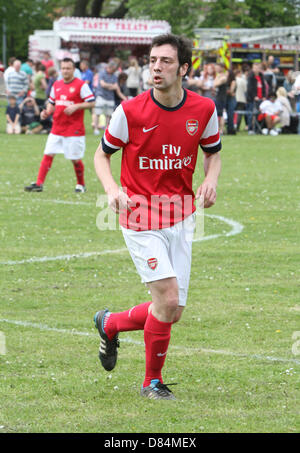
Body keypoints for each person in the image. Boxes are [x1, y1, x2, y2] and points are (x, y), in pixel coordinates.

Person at [93, 33, 222, 400]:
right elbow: (102, 155)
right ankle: (152, 381)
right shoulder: (130, 111)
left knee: (173, 310)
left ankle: (111, 323)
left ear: (183, 68)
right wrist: (112, 190)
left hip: (181, 217)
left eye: (165, 61)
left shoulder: (203, 110)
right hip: (139, 216)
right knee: (166, 299)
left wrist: (210, 180)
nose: (156, 67)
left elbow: (213, 153)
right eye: (152, 61)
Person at [24, 58, 95, 193]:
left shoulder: (81, 85)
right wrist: (46, 112)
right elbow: (52, 103)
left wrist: (77, 106)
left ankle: (81, 185)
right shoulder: (56, 85)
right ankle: (39, 184)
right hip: (57, 127)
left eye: (68, 68)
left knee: (75, 159)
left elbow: (92, 102)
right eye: (63, 68)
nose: (65, 71)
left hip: (74, 129)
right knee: (48, 154)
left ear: (74, 70)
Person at [94, 60, 126, 135]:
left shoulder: (114, 76)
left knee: (108, 115)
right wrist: (111, 86)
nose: (114, 71)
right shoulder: (102, 73)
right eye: (113, 69)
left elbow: (115, 87)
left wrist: (107, 86)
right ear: (110, 67)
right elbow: (102, 84)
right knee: (97, 113)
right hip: (101, 96)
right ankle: (95, 128)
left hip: (110, 97)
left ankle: (106, 129)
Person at [246, 62, 266, 135]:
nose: (256, 69)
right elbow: (250, 88)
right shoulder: (251, 77)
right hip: (253, 100)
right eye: (255, 68)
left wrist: (264, 96)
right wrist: (254, 96)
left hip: (261, 99)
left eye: (257, 68)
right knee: (251, 114)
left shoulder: (261, 76)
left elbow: (263, 87)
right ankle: (250, 128)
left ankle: (258, 129)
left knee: (259, 115)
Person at [214, 62, 228, 135]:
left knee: (220, 114)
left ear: (222, 68)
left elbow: (215, 84)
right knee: (218, 114)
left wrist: (217, 77)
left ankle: (221, 130)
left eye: (218, 67)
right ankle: (219, 129)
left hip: (221, 98)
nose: (216, 69)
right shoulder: (219, 76)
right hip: (217, 97)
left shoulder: (223, 77)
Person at [225, 69, 237, 135]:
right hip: (227, 99)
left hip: (231, 99)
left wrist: (225, 91)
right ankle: (229, 128)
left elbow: (231, 91)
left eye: (227, 73)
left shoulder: (233, 82)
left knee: (230, 114)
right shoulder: (226, 81)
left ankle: (231, 129)